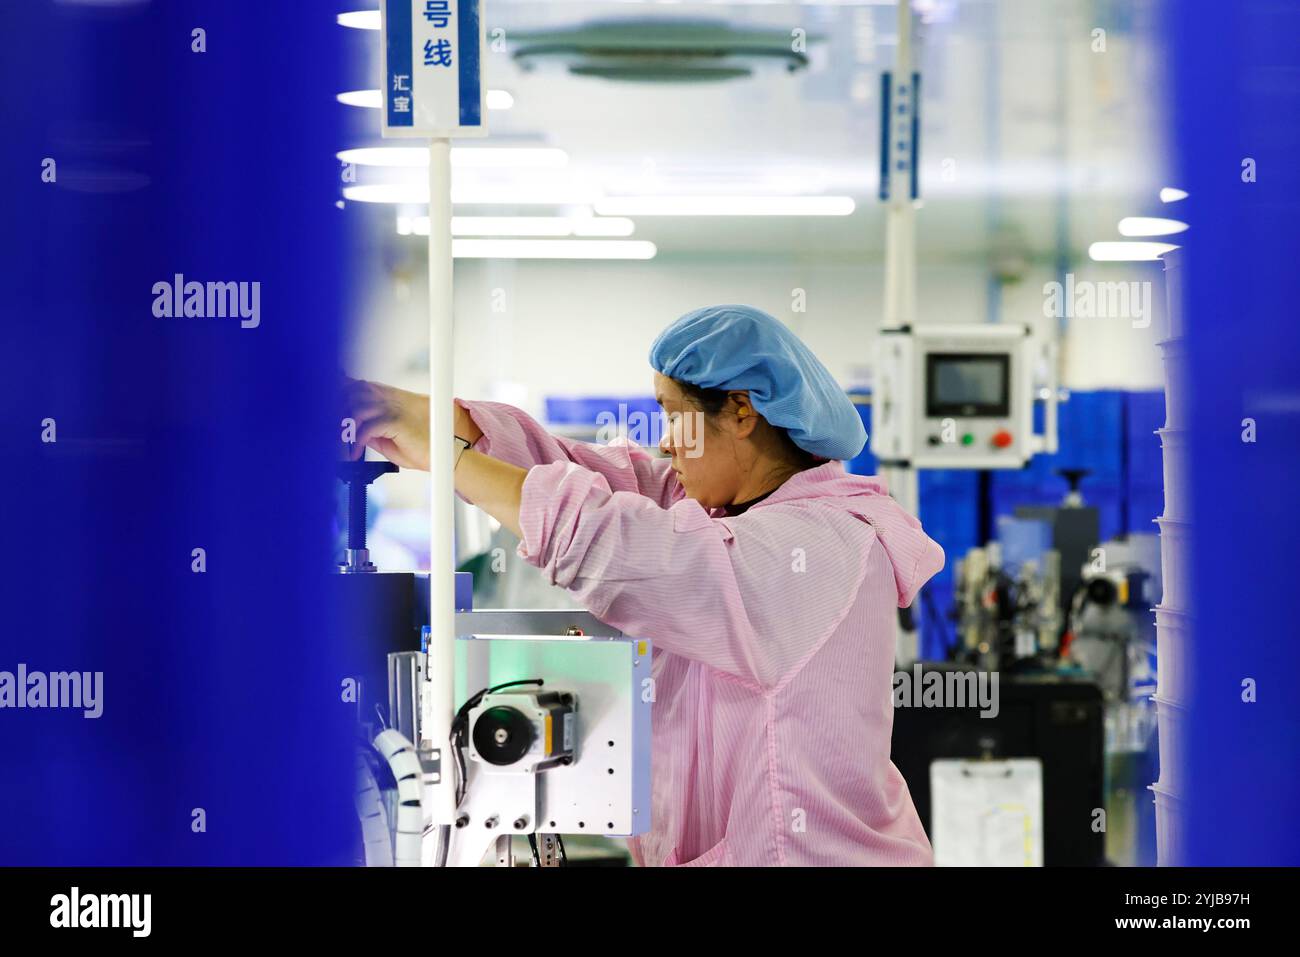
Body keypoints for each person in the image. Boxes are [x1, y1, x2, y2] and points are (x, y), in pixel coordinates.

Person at [344, 304, 944, 866]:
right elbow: (572, 471)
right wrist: (400, 413)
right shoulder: (724, 511)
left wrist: (451, 461)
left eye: (672, 415)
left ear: (740, 411)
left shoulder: (817, 544)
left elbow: (626, 546)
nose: (661, 440)